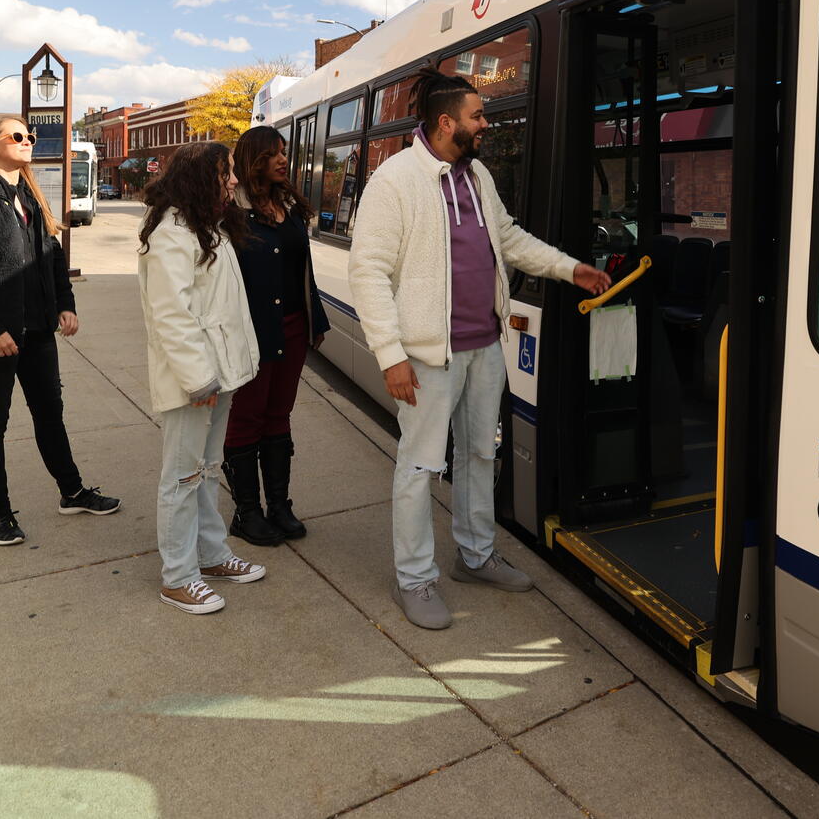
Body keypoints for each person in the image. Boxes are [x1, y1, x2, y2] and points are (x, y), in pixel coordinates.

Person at [350, 66, 610, 630]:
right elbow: (367, 271)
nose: (486, 125)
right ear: (447, 123)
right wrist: (390, 355)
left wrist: (570, 269)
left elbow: (508, 238)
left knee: (479, 455)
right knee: (420, 465)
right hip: (425, 357)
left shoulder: (477, 176)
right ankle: (414, 579)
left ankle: (474, 556)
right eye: (478, 116)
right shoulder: (394, 181)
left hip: (484, 347)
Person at [0, 115, 119, 547]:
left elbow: (51, 258)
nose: (27, 142)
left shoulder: (30, 197)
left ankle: (71, 492)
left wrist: (64, 305)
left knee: (49, 411)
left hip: (36, 329)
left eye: (30, 136)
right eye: (17, 136)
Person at [137, 141, 268, 614]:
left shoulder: (207, 225)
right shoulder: (173, 232)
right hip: (196, 382)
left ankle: (211, 556)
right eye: (224, 172)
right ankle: (178, 576)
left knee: (209, 470)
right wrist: (199, 380)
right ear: (198, 178)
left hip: (219, 374)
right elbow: (171, 315)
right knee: (182, 476)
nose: (233, 180)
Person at [224, 124, 331, 547]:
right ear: (253, 158)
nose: (282, 160)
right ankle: (246, 512)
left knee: (279, 414)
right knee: (247, 416)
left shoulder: (288, 205)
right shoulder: (231, 211)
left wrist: (314, 320)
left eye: (284, 152)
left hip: (292, 325)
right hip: (251, 330)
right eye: (273, 154)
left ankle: (280, 506)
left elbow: (303, 270)